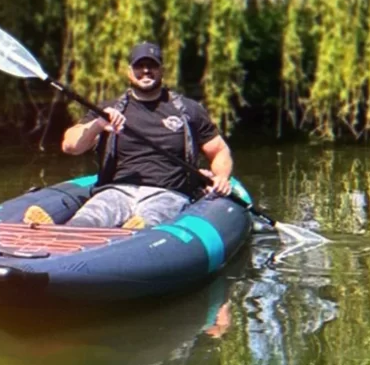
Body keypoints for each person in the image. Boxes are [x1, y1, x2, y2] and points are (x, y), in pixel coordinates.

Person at [23, 41, 233, 229]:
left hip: (167, 193)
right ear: (129, 71)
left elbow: (219, 150)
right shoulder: (108, 109)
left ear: (162, 70)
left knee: (147, 222)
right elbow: (70, 146)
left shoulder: (188, 110)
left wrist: (221, 177)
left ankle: (131, 239)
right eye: (139, 66)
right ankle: (57, 239)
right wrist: (99, 124)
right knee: (86, 220)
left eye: (152, 66)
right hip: (116, 191)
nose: (146, 71)